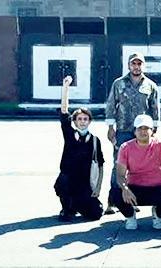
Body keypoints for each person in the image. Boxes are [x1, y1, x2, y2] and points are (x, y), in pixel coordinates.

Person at [104, 53, 161, 214]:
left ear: (143, 65)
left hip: (142, 132)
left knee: (138, 166)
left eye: (139, 64)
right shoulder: (119, 83)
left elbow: (155, 108)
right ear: (129, 65)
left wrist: (154, 129)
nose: (136, 67)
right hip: (123, 130)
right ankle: (112, 201)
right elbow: (111, 104)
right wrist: (110, 127)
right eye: (133, 64)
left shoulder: (151, 85)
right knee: (118, 165)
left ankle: (132, 200)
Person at [110, 112, 161, 230]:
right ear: (135, 131)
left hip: (157, 188)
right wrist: (125, 189)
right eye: (139, 128)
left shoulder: (159, 145)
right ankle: (130, 215)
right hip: (134, 188)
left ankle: (158, 215)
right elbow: (120, 174)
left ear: (152, 131)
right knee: (115, 194)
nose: (143, 131)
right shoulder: (125, 147)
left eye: (146, 128)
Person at [54, 76, 104, 222]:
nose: (82, 122)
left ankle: (76, 205)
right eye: (79, 119)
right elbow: (64, 111)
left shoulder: (94, 141)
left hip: (84, 183)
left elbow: (100, 165)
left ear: (89, 121)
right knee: (63, 182)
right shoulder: (69, 134)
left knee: (95, 214)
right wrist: (65, 88)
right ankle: (67, 207)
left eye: (85, 119)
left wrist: (98, 188)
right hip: (68, 180)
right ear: (75, 121)